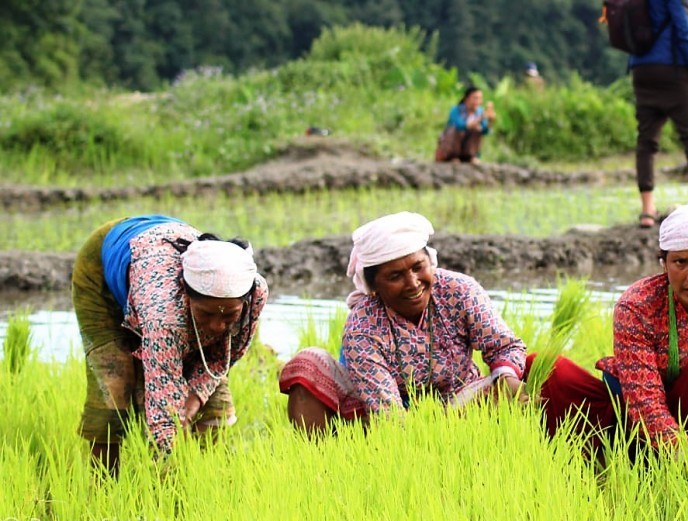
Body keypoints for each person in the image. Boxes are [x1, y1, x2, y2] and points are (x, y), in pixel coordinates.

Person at [528, 204, 688, 454]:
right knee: (545, 368)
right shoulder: (637, 305)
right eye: (680, 262)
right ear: (664, 264)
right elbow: (644, 397)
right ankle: (612, 456)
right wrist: (681, 453)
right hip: (632, 411)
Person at [280, 212, 528, 435]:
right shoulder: (363, 327)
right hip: (383, 413)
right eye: (395, 276)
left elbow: (504, 346)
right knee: (307, 365)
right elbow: (386, 414)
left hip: (462, 399)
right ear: (374, 286)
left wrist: (505, 377)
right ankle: (325, 465)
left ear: (429, 262)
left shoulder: (459, 290)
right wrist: (433, 425)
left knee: (513, 387)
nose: (412, 283)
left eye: (418, 267)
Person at [72, 215, 268, 474]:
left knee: (215, 406)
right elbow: (164, 410)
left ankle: (208, 479)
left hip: (154, 257)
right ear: (186, 296)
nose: (218, 326)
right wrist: (170, 467)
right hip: (105, 262)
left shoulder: (255, 292)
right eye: (207, 314)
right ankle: (104, 484)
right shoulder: (164, 316)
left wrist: (195, 396)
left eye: (228, 315)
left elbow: (223, 358)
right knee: (115, 384)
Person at [629, 0, 688, 226]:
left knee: (646, 141)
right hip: (674, 69)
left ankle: (647, 210)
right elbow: (685, 31)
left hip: (641, 70)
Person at [434, 87, 497, 164]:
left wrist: (490, 122)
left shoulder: (479, 112)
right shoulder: (456, 110)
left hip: (466, 149)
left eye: (480, 98)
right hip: (451, 146)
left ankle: (470, 156)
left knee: (477, 130)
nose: (478, 101)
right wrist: (480, 119)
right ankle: (452, 156)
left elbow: (484, 131)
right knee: (455, 130)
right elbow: (460, 126)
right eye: (475, 98)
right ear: (466, 98)